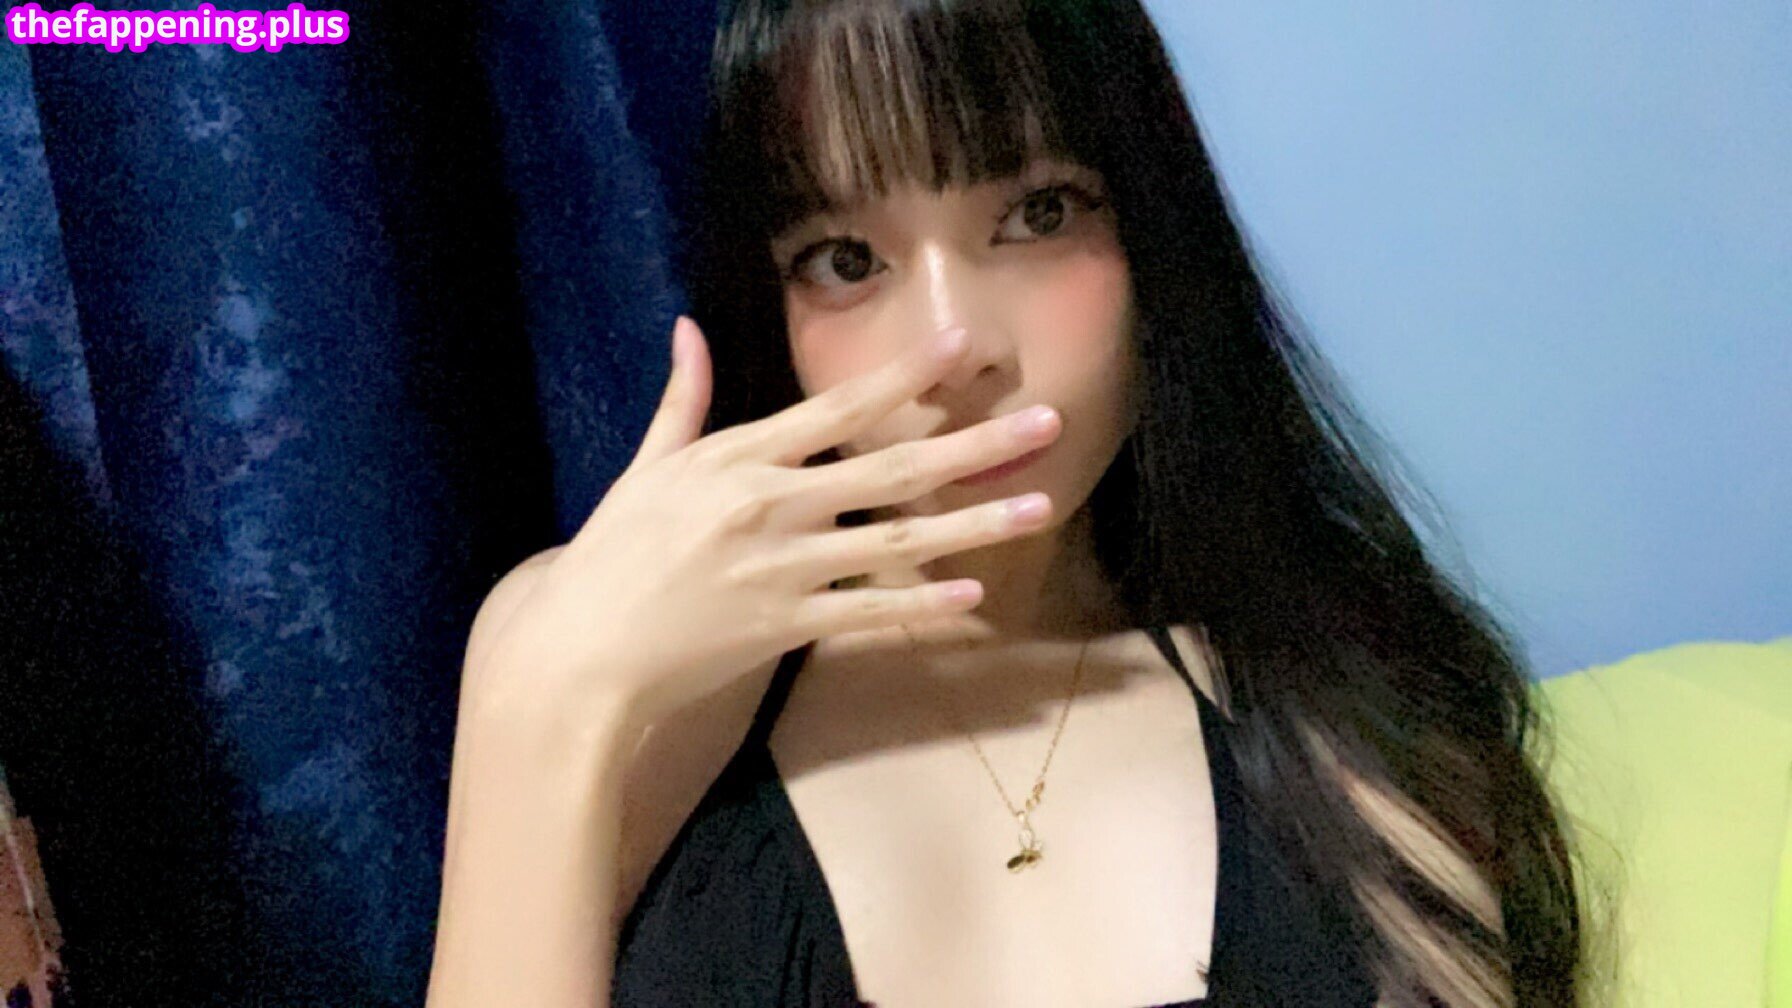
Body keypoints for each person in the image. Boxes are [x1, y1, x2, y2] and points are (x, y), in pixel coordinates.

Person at [426, 1, 1595, 1005]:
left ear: (1154, 234)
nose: (955, 346)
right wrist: (548, 698)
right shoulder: (596, 672)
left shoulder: (1346, 698)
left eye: (1038, 214)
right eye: (845, 260)